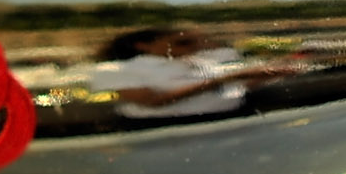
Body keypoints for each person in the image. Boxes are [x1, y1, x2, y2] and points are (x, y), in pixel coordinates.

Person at [96, 26, 276, 121]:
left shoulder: (197, 62)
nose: (196, 46)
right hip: (170, 129)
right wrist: (227, 78)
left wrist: (271, 73)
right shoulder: (119, 69)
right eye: (183, 42)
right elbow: (152, 101)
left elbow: (232, 89)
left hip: (228, 120)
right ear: (143, 45)